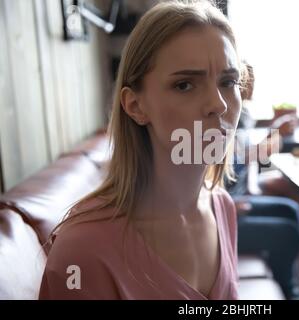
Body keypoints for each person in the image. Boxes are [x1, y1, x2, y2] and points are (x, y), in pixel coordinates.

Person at [39, 0, 243, 300]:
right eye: (185, 85)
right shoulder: (81, 249)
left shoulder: (222, 207)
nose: (219, 104)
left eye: (228, 81)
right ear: (135, 106)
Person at [232, 62, 299, 287]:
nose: (251, 85)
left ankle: (298, 271)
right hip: (233, 199)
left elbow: (246, 158)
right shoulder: (217, 121)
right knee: (288, 231)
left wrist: (274, 132)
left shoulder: (242, 115)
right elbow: (246, 157)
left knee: (296, 204)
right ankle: (288, 283)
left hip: (242, 190)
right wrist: (276, 132)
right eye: (245, 80)